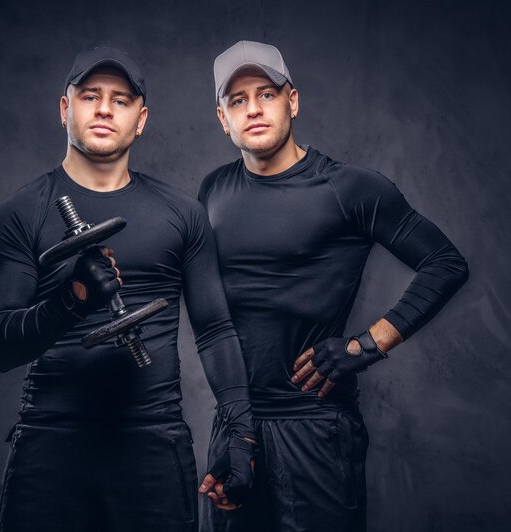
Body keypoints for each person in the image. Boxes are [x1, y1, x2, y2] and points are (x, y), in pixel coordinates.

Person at [0, 45, 256, 532]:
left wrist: (241, 434)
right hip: (50, 444)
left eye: (121, 99)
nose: (104, 108)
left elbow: (214, 330)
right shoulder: (18, 214)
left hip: (153, 446)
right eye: (90, 96)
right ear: (65, 108)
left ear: (141, 119)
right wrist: (72, 300)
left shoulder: (182, 215)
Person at [198, 41, 469, 532]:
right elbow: (206, 312)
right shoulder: (213, 191)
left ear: (293, 100)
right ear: (223, 117)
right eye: (238, 100)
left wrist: (368, 344)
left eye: (267, 94)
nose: (253, 108)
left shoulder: (350, 188)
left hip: (315, 428)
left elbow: (445, 263)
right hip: (236, 430)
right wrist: (236, 429)